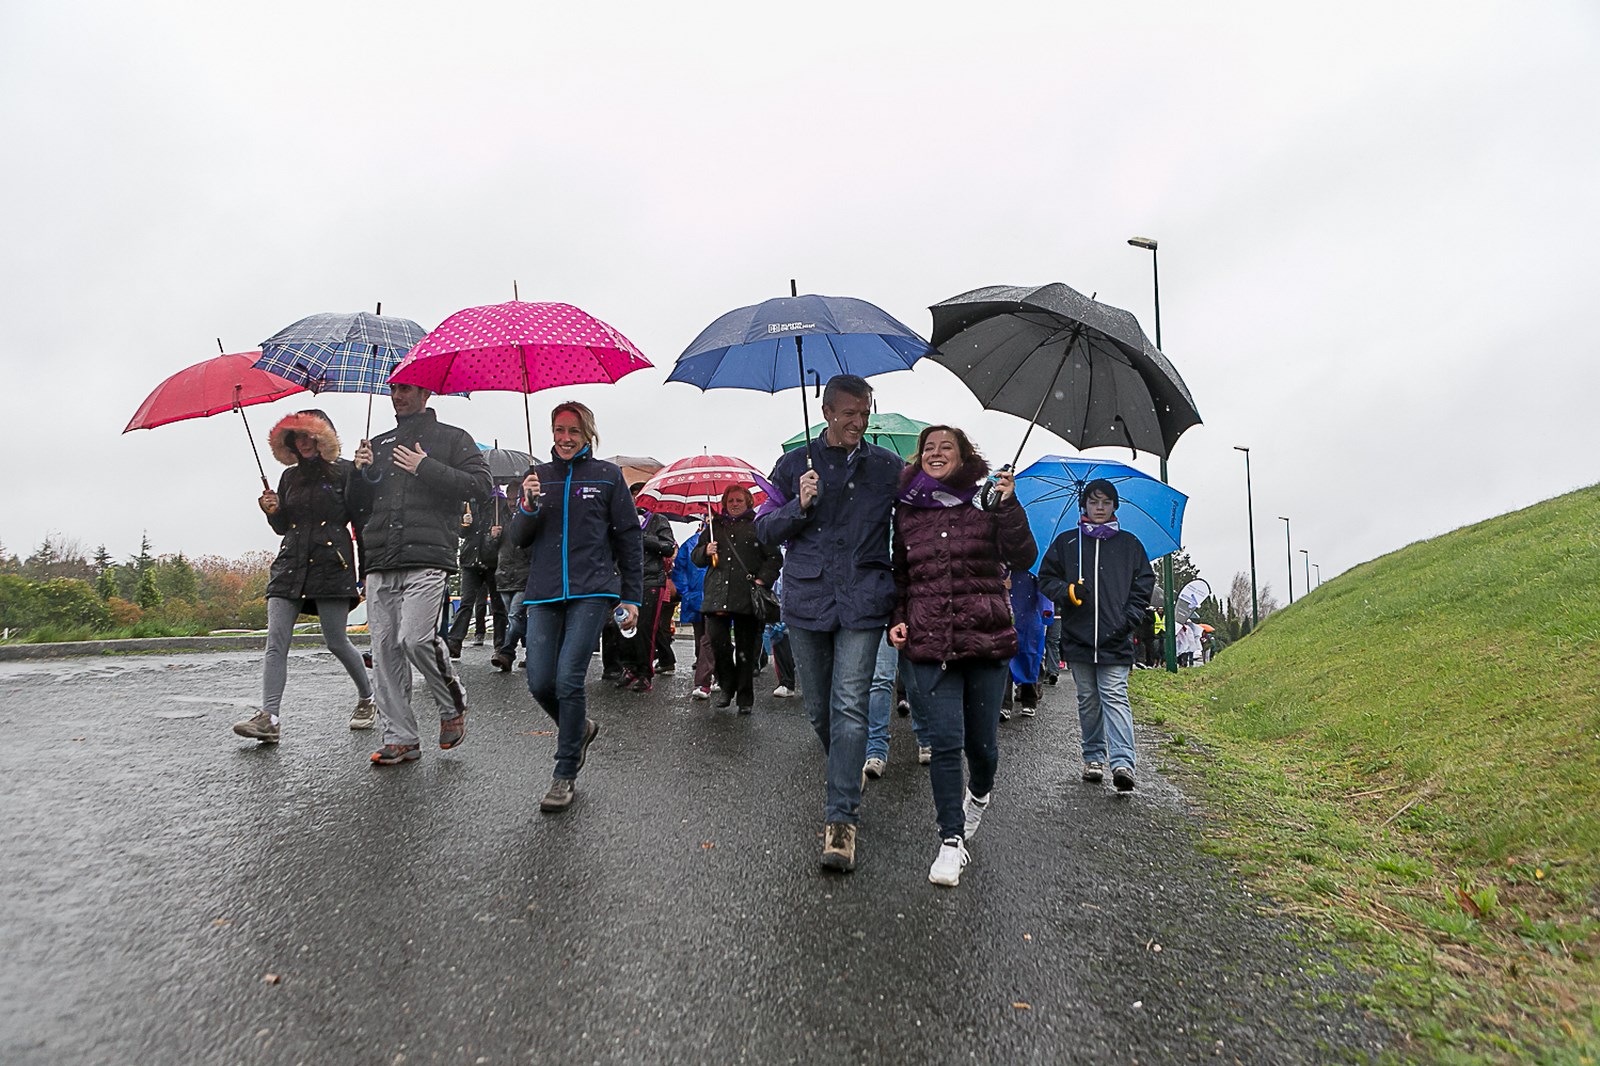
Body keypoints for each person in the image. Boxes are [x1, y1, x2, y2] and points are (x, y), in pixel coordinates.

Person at [756, 374, 902, 872]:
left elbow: (919, 515)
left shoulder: (886, 467)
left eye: (864, 413)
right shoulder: (793, 466)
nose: (858, 422)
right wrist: (798, 504)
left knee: (849, 706)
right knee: (820, 711)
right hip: (807, 600)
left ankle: (841, 821)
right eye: (849, 413)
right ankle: (847, 762)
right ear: (826, 412)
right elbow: (764, 530)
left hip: (864, 598)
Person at [888, 426, 1036, 887]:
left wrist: (1009, 506)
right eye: (928, 448)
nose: (935, 454)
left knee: (982, 747)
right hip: (930, 640)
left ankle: (981, 792)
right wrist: (898, 617)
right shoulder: (908, 509)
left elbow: (1023, 556)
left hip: (985, 639)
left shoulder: (987, 500)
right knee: (946, 742)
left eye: (945, 448)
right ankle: (950, 841)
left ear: (963, 456)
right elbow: (901, 572)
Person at [510, 401, 642, 813]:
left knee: (568, 679)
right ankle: (579, 728)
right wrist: (528, 506)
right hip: (544, 591)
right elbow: (518, 539)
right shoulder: (537, 477)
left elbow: (629, 537)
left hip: (593, 589)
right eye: (559, 430)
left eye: (574, 431)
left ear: (587, 434)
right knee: (539, 683)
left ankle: (564, 771)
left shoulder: (607, 476)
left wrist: (632, 596)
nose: (565, 438)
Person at [350, 383, 492, 766]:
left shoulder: (453, 438)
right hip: (380, 557)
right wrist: (358, 473)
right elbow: (357, 507)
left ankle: (452, 703)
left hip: (429, 555)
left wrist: (424, 466)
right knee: (384, 651)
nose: (398, 396)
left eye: (407, 389)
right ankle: (401, 738)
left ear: (426, 392)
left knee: (415, 639)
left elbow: (482, 486)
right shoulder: (377, 444)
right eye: (393, 389)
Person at [233, 409, 376, 743]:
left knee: (336, 640)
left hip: (331, 564)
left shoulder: (347, 472)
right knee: (276, 641)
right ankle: (269, 718)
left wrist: (367, 571)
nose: (304, 442)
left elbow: (361, 522)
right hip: (290, 565)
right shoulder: (289, 478)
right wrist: (273, 512)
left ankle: (368, 697)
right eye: (297, 436)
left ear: (324, 436)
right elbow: (283, 527)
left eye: (310, 435)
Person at [1038, 478, 1156, 792]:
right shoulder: (1067, 543)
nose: (1099, 508)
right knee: (1088, 700)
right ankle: (1093, 757)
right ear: (1084, 505)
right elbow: (1046, 579)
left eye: (1105, 502)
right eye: (1093, 502)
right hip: (1079, 638)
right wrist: (1068, 591)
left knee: (1114, 696)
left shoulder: (1130, 545)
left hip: (1116, 638)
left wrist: (1128, 619)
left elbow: (1143, 585)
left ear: (1115, 506)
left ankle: (1123, 763)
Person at [692, 485, 782, 713]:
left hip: (746, 596)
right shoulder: (714, 527)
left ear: (748, 502)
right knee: (717, 643)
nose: (734, 504)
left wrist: (762, 580)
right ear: (724, 503)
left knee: (745, 650)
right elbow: (696, 558)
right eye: (730, 500)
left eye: (738, 500)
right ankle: (727, 685)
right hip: (717, 596)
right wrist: (705, 551)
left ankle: (745, 699)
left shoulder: (759, 526)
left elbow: (774, 558)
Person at [619, 482, 675, 693]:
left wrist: (643, 538)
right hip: (626, 580)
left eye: (640, 495)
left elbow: (668, 547)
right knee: (623, 626)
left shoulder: (659, 520)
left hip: (651, 580)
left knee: (645, 628)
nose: (636, 500)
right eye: (633, 495)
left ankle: (645, 673)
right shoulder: (624, 521)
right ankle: (629, 668)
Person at [445, 491, 506, 658]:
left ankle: (500, 647)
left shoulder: (500, 504)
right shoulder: (469, 504)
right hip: (471, 560)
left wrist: (498, 534)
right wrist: (464, 525)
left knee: (498, 606)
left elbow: (509, 529)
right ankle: (454, 642)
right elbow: (461, 533)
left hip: (492, 561)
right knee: (466, 602)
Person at [491, 482, 532, 672]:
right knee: (517, 619)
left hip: (524, 574)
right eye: (509, 498)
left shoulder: (528, 515)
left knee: (515, 616)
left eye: (516, 498)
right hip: (504, 574)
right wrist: (493, 537)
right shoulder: (499, 517)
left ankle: (506, 653)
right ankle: (533, 651)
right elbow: (490, 549)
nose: (512, 503)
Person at [673, 525, 715, 700]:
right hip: (696, 597)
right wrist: (686, 591)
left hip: (714, 597)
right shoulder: (690, 543)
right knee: (701, 638)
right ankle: (705, 670)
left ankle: (708, 677)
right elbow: (679, 568)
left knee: (711, 637)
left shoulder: (722, 540)